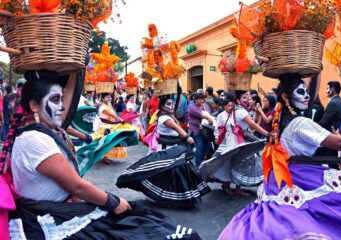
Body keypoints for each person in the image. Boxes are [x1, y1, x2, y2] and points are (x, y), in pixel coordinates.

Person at [1, 71, 201, 240]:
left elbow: (68, 105)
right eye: (55, 100)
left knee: (145, 219)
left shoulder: (45, 129)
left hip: (61, 209)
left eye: (61, 99)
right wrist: (113, 202)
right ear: (34, 106)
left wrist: (76, 71)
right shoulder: (34, 139)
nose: (62, 106)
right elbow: (77, 186)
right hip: (51, 218)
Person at [219, 73, 341, 240]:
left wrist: (317, 74)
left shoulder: (281, 120)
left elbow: (338, 139)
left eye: (306, 92)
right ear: (286, 96)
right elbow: (339, 144)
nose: (307, 96)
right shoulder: (300, 122)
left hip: (280, 176)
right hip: (295, 176)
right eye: (301, 92)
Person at [117, 94, 210, 207]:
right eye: (168, 104)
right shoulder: (164, 117)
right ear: (162, 105)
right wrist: (187, 137)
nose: (171, 106)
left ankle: (172, 197)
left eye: (172, 104)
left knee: (174, 173)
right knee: (163, 173)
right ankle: (159, 196)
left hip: (174, 148)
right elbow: (177, 128)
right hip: (166, 150)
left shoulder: (167, 115)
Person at [201, 95, 267, 195]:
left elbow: (252, 125)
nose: (230, 107)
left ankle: (238, 187)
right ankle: (226, 185)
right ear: (223, 106)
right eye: (228, 105)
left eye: (232, 105)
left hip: (240, 141)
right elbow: (218, 129)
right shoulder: (221, 116)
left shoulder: (237, 113)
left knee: (241, 162)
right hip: (228, 142)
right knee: (227, 162)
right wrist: (216, 138)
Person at [92, 92, 135, 163]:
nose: (108, 98)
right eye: (106, 97)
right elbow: (112, 115)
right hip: (104, 126)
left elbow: (113, 114)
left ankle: (105, 157)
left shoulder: (109, 104)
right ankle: (104, 157)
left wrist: (119, 120)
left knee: (110, 142)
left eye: (109, 97)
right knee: (106, 142)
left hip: (110, 125)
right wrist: (120, 120)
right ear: (102, 98)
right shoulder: (103, 107)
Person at [317, 81, 341, 157]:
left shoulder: (333, 103)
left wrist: (311, 126)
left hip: (330, 139)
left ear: (332, 89)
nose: (326, 91)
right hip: (335, 138)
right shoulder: (339, 101)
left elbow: (323, 122)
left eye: (327, 88)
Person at [188, 92, 213, 167]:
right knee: (199, 146)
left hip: (206, 130)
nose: (201, 101)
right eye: (199, 99)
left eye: (202, 99)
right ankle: (198, 165)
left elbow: (209, 114)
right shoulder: (191, 107)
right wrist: (208, 118)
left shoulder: (205, 106)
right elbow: (201, 114)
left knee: (207, 145)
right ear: (195, 100)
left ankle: (201, 160)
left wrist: (209, 118)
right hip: (196, 130)